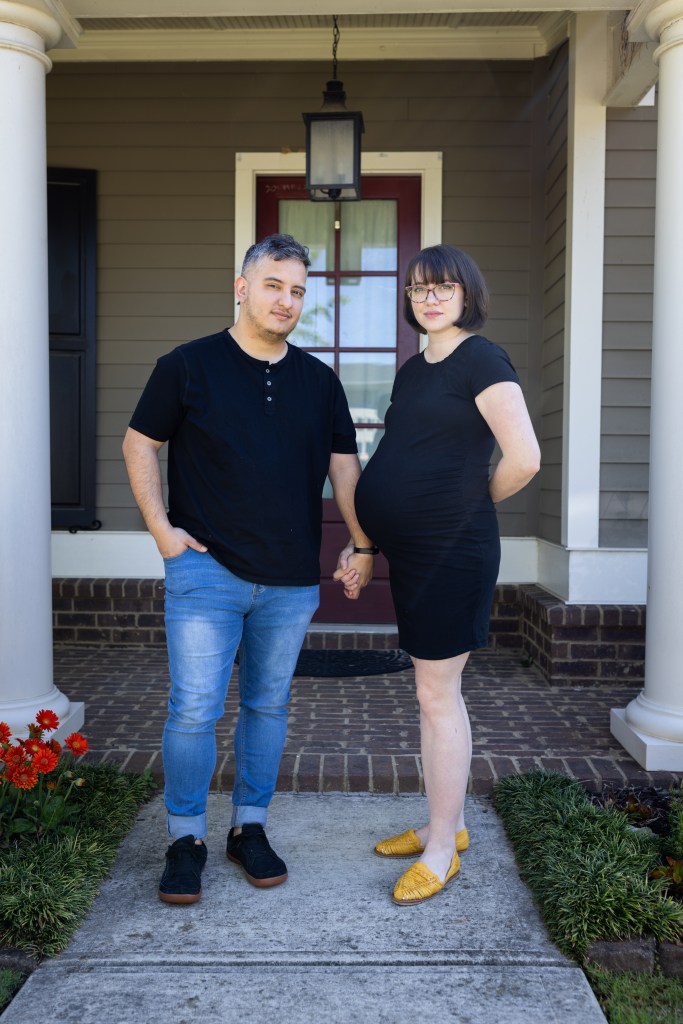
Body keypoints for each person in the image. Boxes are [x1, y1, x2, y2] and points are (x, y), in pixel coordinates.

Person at [123, 233, 374, 905]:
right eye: (273, 285)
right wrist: (160, 530)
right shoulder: (187, 365)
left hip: (290, 580)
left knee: (267, 705)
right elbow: (139, 442)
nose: (285, 300)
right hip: (205, 572)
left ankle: (248, 829)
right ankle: (185, 839)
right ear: (242, 287)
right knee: (195, 709)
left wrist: (361, 542)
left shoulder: (319, 382)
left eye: (296, 290)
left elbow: (343, 468)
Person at [352, 243, 540, 906]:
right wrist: (370, 539)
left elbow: (524, 457)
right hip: (414, 551)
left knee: (435, 697)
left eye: (443, 287)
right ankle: (448, 824)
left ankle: (440, 851)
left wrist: (467, 501)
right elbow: (404, 454)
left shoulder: (480, 359)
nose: (429, 298)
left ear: (466, 294)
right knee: (437, 693)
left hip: (452, 551)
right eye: (418, 288)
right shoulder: (414, 370)